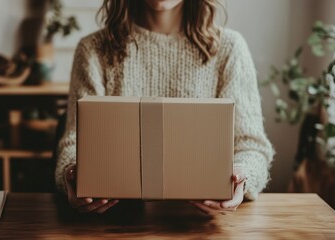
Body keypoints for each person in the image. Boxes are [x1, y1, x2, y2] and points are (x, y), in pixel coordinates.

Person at [55, 0, 274, 214]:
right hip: (113, 219)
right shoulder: (93, 50)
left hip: (201, 223)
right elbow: (75, 143)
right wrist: (74, 177)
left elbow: (251, 145)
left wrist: (239, 178)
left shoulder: (230, 48)